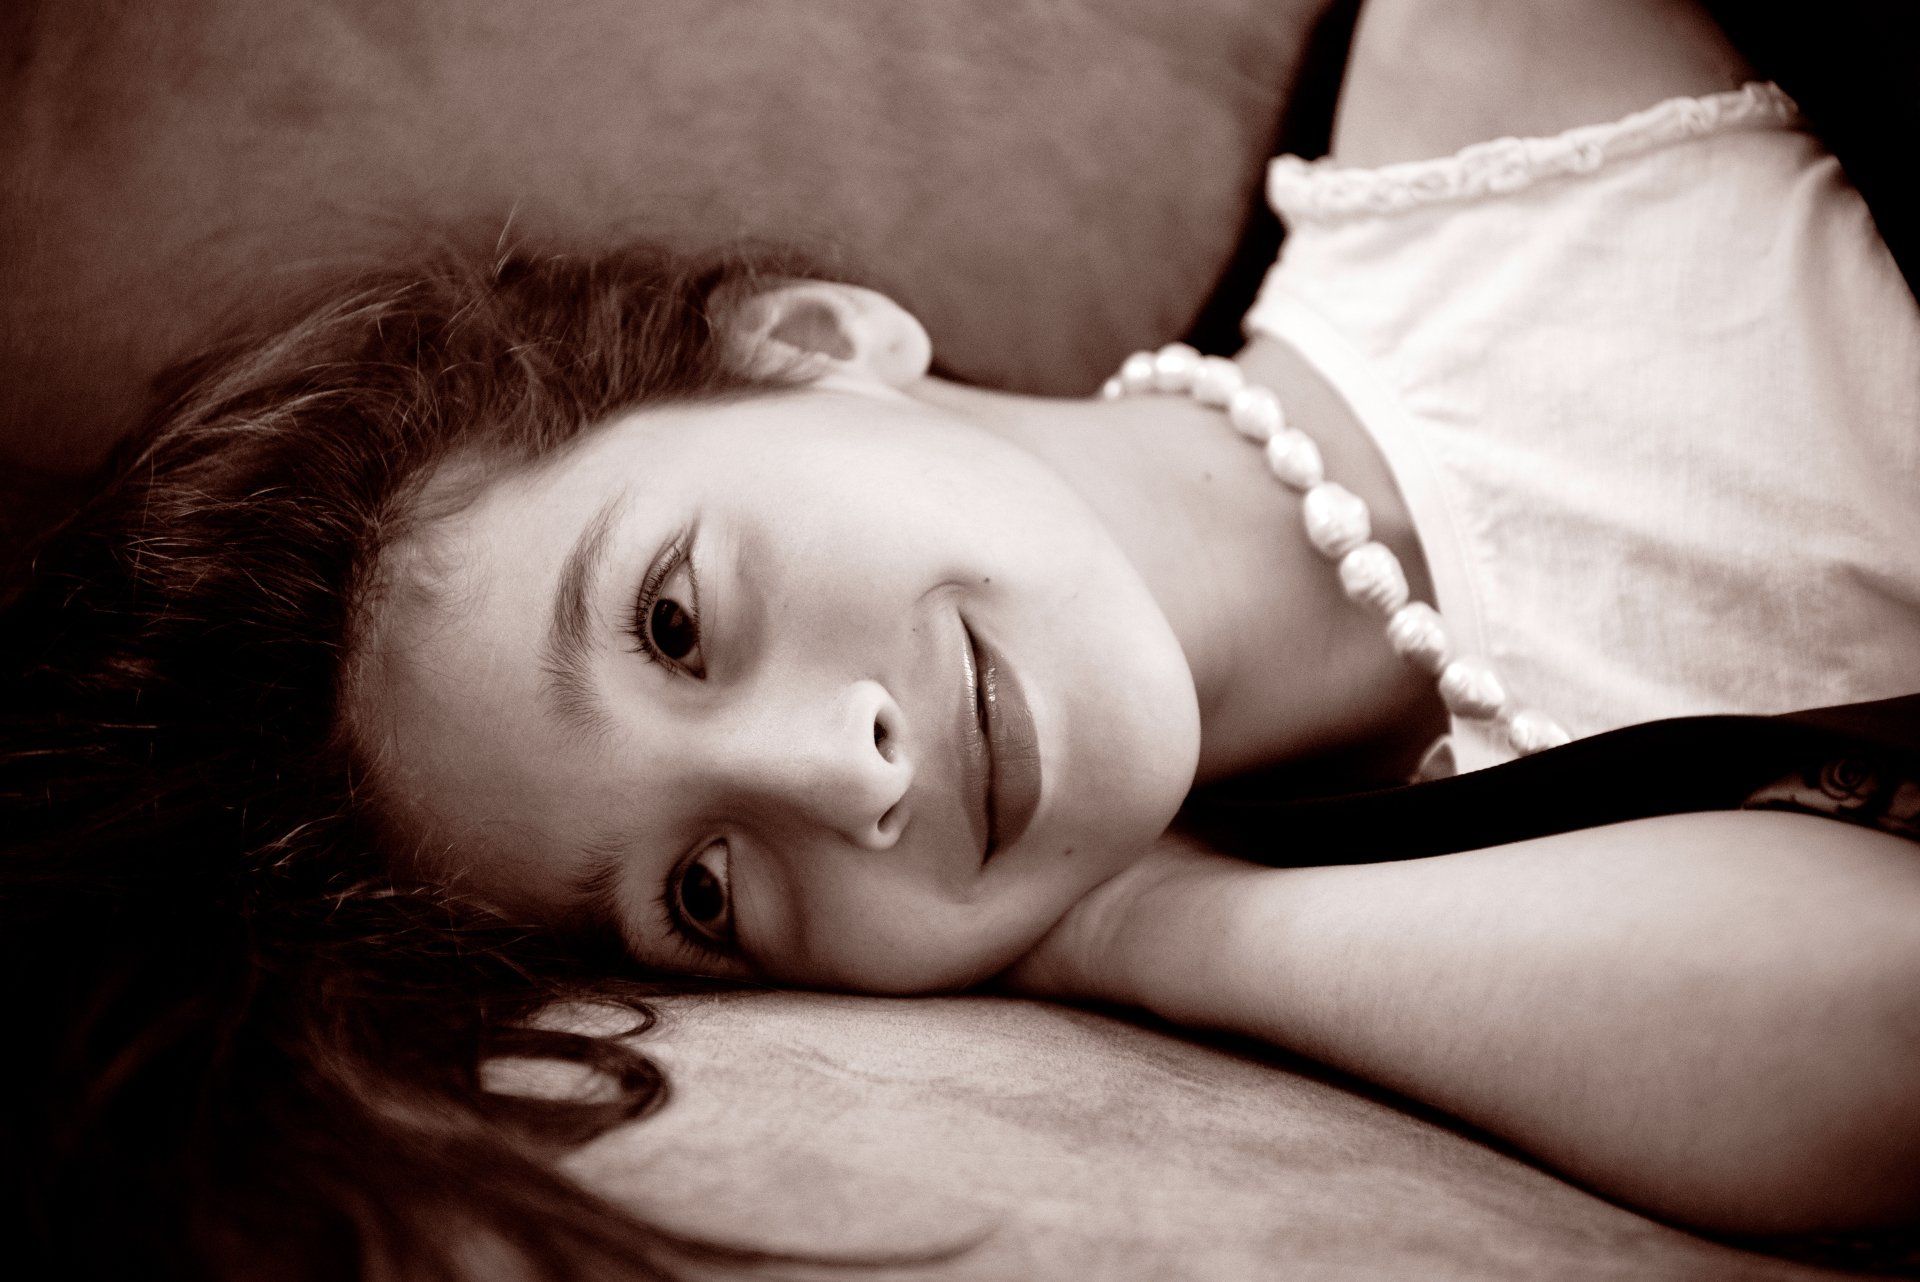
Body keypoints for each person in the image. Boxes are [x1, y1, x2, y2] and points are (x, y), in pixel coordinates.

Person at [4, 0, 1917, 1274]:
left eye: (674, 619)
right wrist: (1145, 923)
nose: (835, 776)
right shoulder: (1468, 938)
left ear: (808, 339)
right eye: (702, 891)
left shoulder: (1506, 73)